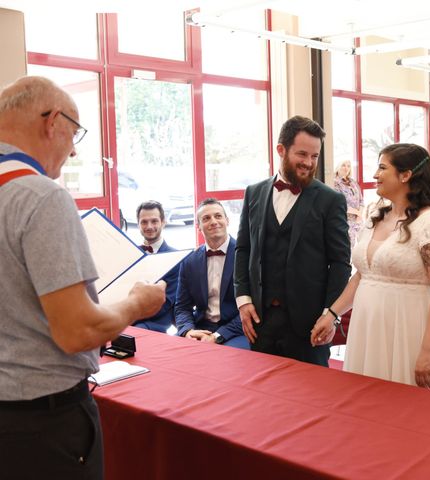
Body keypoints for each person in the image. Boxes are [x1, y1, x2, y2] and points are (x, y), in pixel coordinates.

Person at [0, 76, 165, 479]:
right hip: (44, 421)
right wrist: (136, 303)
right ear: (52, 121)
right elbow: (77, 331)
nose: (73, 151)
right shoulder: (40, 196)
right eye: (74, 134)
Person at [311, 143, 430, 393]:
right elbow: (364, 275)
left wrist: (427, 351)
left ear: (405, 175)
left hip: (409, 329)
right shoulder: (375, 217)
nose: (374, 175)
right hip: (369, 328)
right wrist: (332, 314)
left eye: (382, 168)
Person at [234, 115, 351, 366]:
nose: (309, 163)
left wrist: (330, 315)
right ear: (281, 150)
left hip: (309, 326)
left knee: (312, 399)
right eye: (302, 154)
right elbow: (243, 249)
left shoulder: (330, 200)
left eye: (315, 156)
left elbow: (341, 263)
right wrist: (243, 301)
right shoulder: (253, 193)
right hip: (260, 322)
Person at [175, 199, 248, 349]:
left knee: (228, 360)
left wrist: (218, 336)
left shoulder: (247, 255)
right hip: (200, 327)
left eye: (218, 216)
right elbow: (182, 306)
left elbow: (253, 306)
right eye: (206, 218)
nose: (213, 222)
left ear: (227, 220)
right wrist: (188, 331)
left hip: (236, 330)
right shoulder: (189, 261)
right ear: (198, 227)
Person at [133, 200, 179, 333]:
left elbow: (166, 303)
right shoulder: (130, 254)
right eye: (144, 222)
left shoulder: (175, 258)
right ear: (138, 224)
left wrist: (128, 316)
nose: (149, 226)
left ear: (163, 222)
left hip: (153, 324)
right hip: (126, 319)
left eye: (154, 221)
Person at [333, 159, 364, 248]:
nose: (346, 168)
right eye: (343, 165)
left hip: (358, 221)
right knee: (347, 249)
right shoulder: (335, 183)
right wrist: (357, 213)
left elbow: (361, 200)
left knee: (360, 249)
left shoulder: (353, 182)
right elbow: (339, 205)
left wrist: (359, 215)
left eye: (348, 166)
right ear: (338, 166)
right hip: (344, 221)